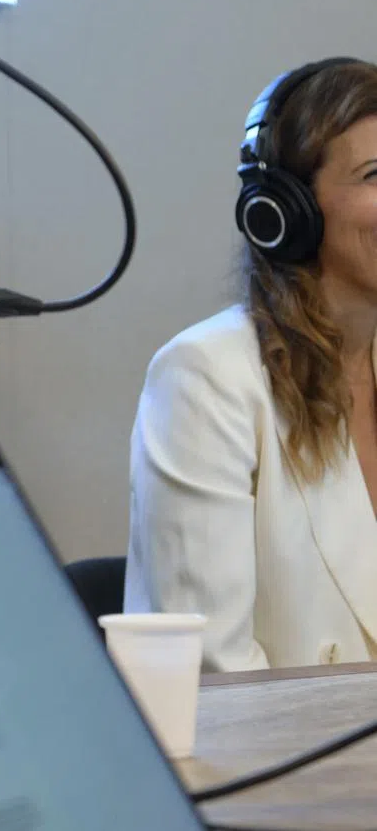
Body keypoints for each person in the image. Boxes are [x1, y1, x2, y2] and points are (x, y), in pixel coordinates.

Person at [125, 57, 377, 671]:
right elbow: (214, 679)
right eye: (375, 175)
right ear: (283, 212)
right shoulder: (205, 376)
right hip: (295, 764)